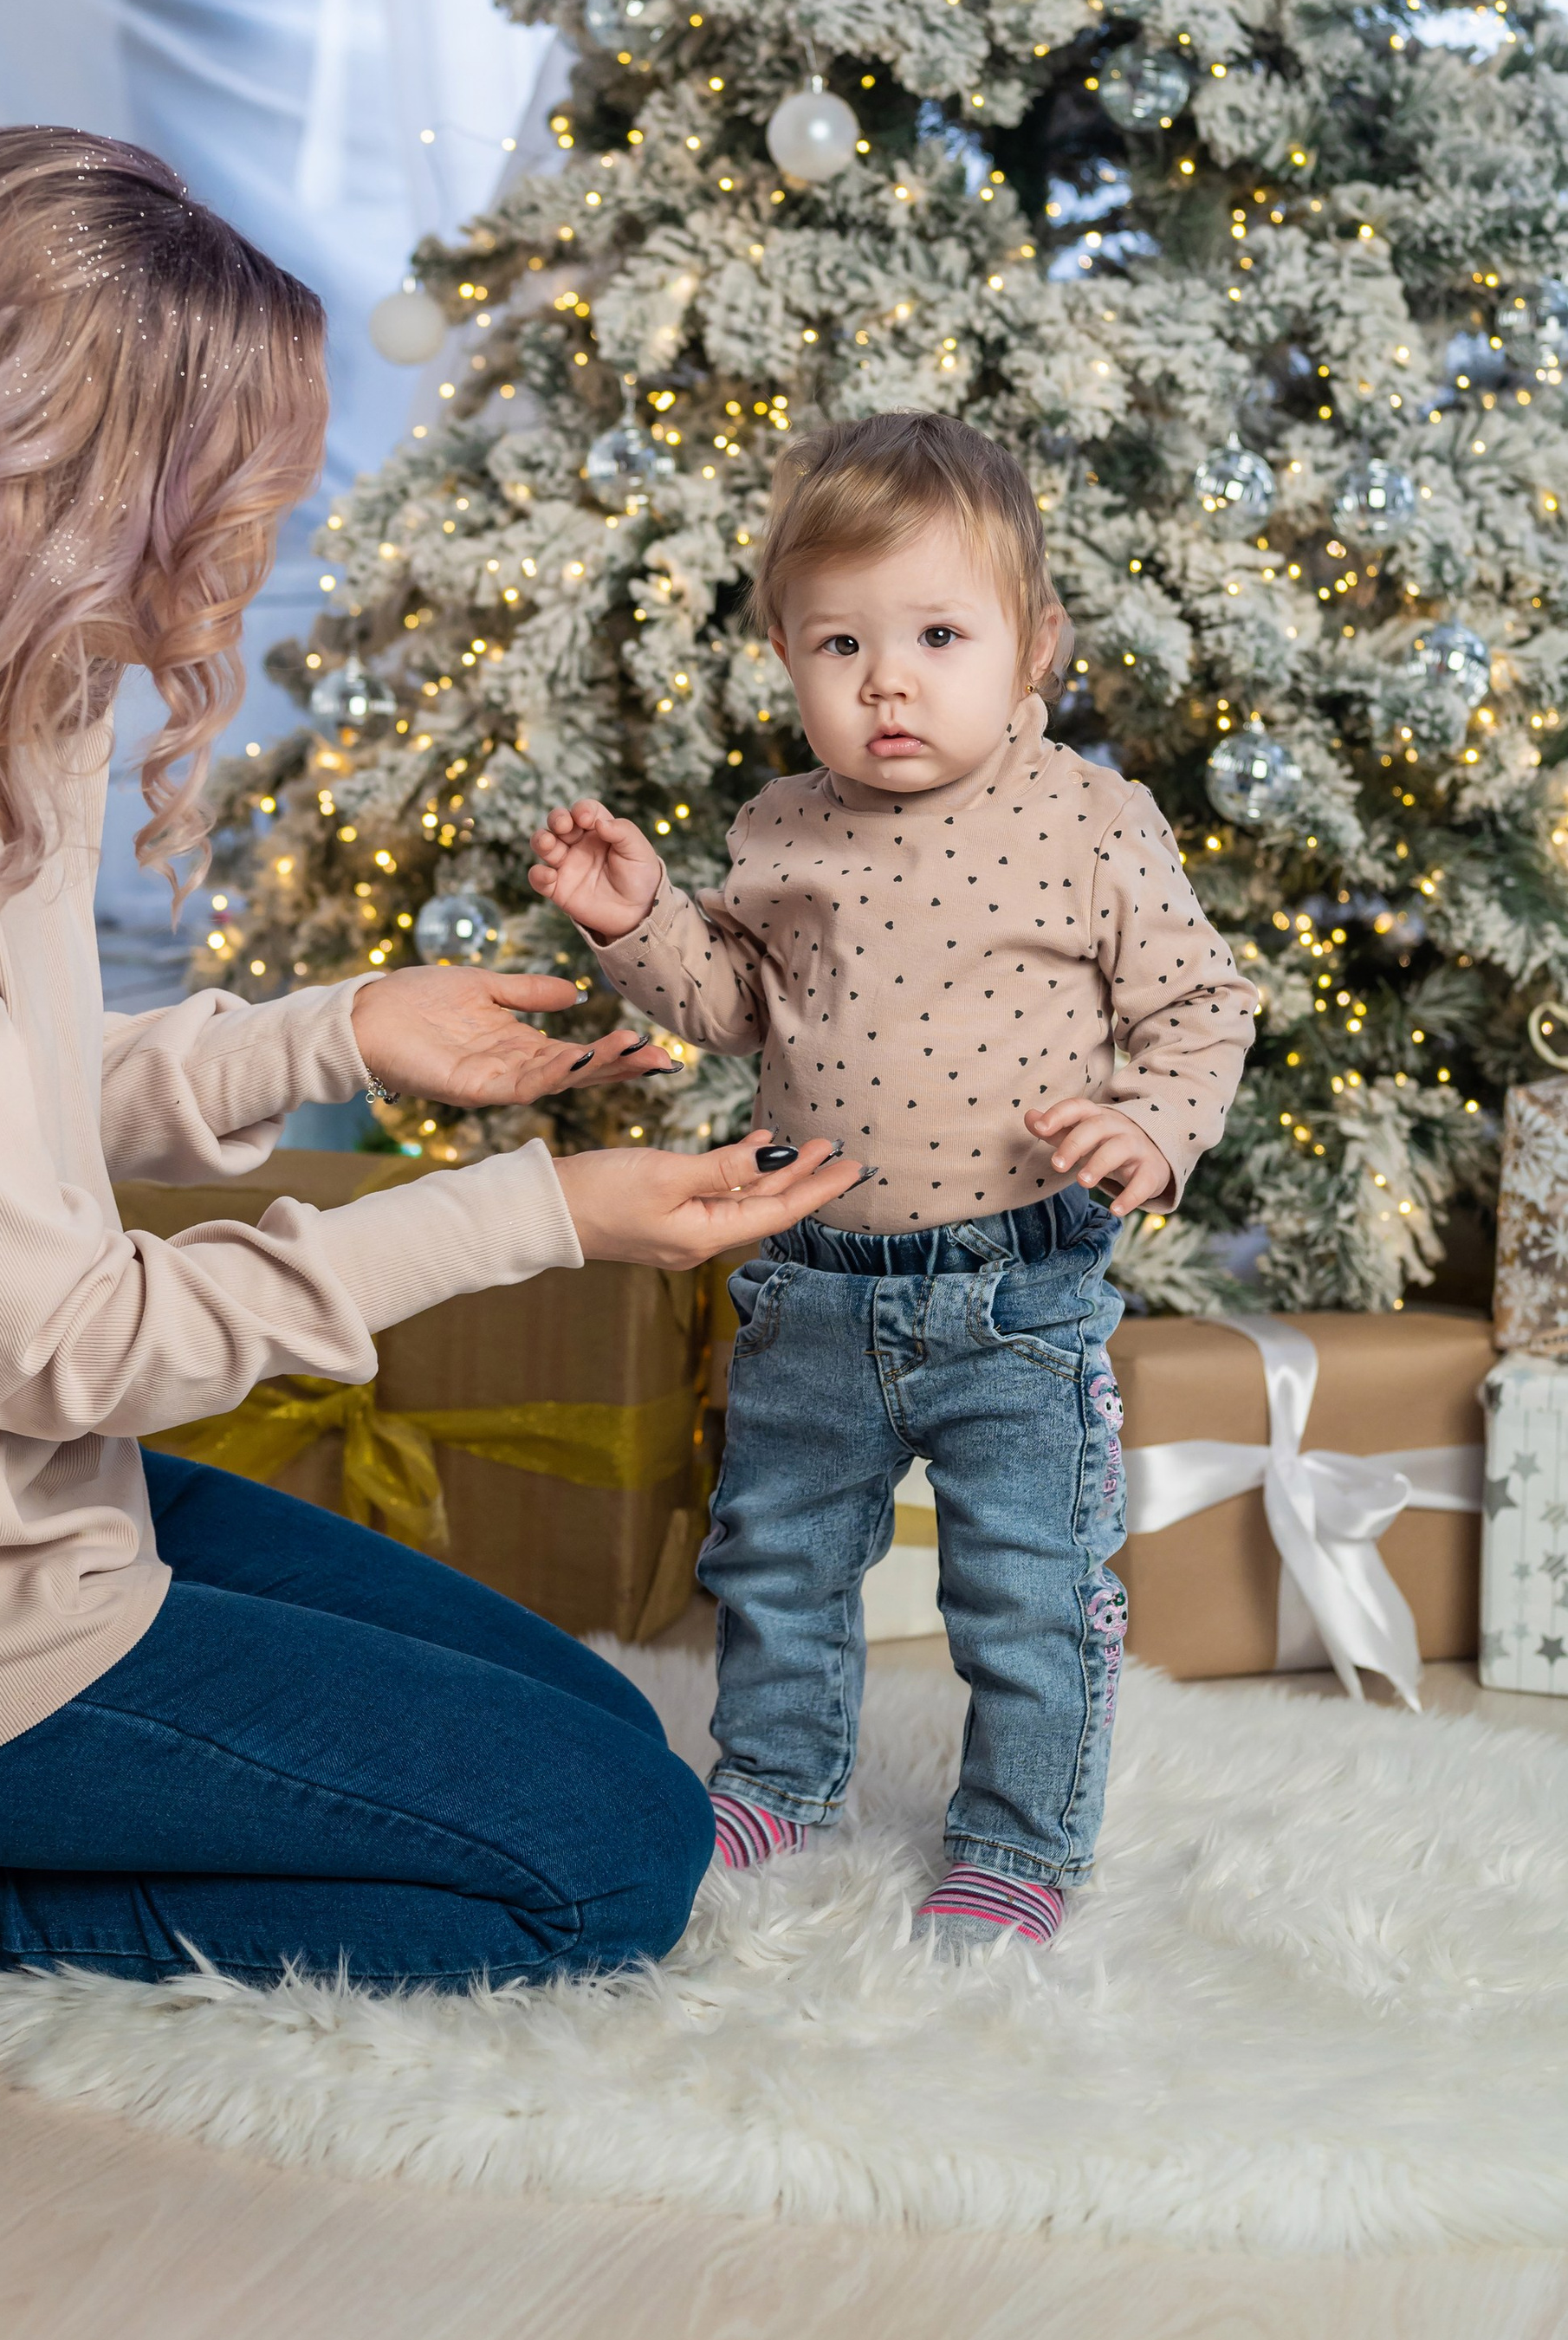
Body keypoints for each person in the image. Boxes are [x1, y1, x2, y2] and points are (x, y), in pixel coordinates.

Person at [0, 128, 860, 1995]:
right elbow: (65, 1343)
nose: (272, 540)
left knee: (599, 1729)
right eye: (242, 497)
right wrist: (536, 1217)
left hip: (22, 1521)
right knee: (611, 1864)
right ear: (74, 484)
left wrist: (339, 1031)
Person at [528, 412, 1255, 1954]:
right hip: (814, 1283)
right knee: (777, 1560)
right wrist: (638, 918)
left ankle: (1018, 1840)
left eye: (937, 635)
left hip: (1018, 1293)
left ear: (1033, 644)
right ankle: (774, 1778)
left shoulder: (1089, 821)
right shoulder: (785, 826)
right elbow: (734, 1004)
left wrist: (1153, 1128)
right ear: (785, 655)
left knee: (1028, 1588)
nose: (887, 684)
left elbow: (1201, 1006)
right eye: (840, 644)